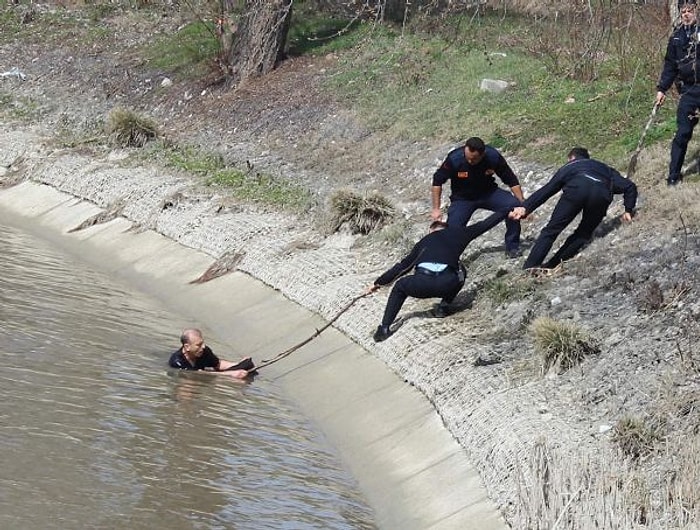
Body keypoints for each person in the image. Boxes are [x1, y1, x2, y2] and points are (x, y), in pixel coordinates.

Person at [368, 209, 509, 342]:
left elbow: (402, 267)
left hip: (421, 284)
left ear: (430, 231)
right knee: (461, 271)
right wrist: (507, 209)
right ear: (447, 230)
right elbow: (485, 224)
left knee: (400, 287)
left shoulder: (423, 242)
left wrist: (378, 283)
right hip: (446, 284)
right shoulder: (458, 235)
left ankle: (385, 328)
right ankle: (443, 307)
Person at [509, 147, 637, 271]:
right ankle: (552, 265)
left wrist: (526, 208)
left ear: (572, 158)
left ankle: (530, 268)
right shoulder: (605, 168)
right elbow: (629, 186)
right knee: (583, 233)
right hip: (601, 194)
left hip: (576, 190)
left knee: (551, 230)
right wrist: (628, 210)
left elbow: (548, 190)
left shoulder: (570, 166)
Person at [431, 136, 525, 258]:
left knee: (513, 206)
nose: (470, 162)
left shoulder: (493, 157)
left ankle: (513, 247)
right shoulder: (454, 159)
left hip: (489, 193)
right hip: (462, 199)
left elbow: (511, 180)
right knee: (453, 229)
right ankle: (449, 258)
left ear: (482, 154)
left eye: (474, 160)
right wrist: (436, 208)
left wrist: (522, 204)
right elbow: (437, 181)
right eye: (468, 158)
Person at [655, 0, 700, 186]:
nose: (687, 14)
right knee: (682, 133)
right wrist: (662, 89)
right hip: (689, 91)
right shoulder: (676, 37)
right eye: (683, 12)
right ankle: (673, 176)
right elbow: (670, 66)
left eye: (690, 11)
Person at [168, 328, 255, 379]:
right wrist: (230, 374)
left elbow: (218, 364)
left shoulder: (204, 351)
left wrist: (240, 364)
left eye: (202, 343)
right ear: (187, 347)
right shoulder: (177, 361)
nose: (203, 347)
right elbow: (197, 374)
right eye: (198, 345)